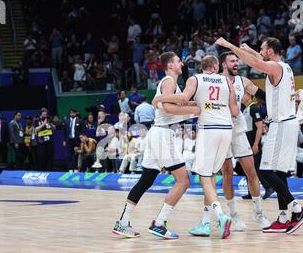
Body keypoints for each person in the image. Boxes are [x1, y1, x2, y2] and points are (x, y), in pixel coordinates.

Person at [215, 36, 303, 234]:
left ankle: (297, 209)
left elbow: (256, 62)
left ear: (270, 52)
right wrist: (250, 49)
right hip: (284, 123)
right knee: (279, 173)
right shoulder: (283, 66)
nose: (260, 51)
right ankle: (284, 216)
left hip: (282, 124)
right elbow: (258, 57)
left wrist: (230, 45)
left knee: (266, 172)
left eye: (262, 48)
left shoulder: (276, 67)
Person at [113, 52, 200, 239]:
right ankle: (159, 223)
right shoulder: (169, 81)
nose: (181, 64)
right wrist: (194, 109)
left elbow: (168, 105)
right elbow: (169, 108)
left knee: (146, 179)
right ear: (170, 65)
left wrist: (188, 104)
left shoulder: (170, 83)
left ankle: (123, 222)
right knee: (183, 180)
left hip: (158, 132)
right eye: (178, 61)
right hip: (163, 133)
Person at [177, 55, 239, 239]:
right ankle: (205, 222)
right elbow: (235, 110)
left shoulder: (194, 79)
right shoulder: (227, 80)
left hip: (209, 129)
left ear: (203, 66)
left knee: (204, 177)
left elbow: (183, 100)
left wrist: (198, 105)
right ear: (216, 66)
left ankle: (220, 216)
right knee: (210, 176)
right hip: (226, 130)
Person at [214, 50, 271, 232]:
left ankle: (259, 213)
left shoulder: (243, 81)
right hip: (221, 131)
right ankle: (232, 215)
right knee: (227, 174)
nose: (236, 64)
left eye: (236, 61)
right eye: (232, 61)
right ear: (224, 64)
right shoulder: (215, 82)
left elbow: (262, 95)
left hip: (238, 132)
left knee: (251, 172)